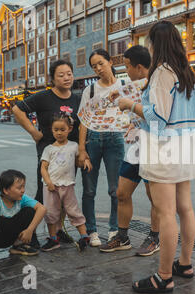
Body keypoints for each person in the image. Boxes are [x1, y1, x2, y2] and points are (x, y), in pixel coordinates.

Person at [117, 21, 195, 294]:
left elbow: (159, 117)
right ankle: (184, 264)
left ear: (157, 44)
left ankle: (164, 276)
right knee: (185, 208)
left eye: (151, 42)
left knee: (166, 213)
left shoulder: (163, 72)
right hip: (185, 145)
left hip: (165, 149)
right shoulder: (186, 70)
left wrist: (131, 106)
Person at [100, 45, 160, 257]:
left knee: (155, 197)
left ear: (140, 67)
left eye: (127, 66)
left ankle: (155, 237)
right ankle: (122, 236)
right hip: (137, 147)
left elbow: (158, 118)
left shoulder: (156, 85)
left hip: (154, 147)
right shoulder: (134, 86)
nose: (126, 70)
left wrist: (130, 107)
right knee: (122, 193)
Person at [12, 60, 80, 245]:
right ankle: (28, 232)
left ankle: (57, 231)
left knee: (64, 194)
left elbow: (81, 126)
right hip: (49, 155)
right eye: (61, 75)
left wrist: (82, 152)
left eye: (69, 73)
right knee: (44, 195)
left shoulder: (76, 98)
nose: (66, 78)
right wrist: (34, 132)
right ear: (53, 78)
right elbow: (17, 109)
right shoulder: (43, 97)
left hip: (69, 156)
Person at [77, 49, 125, 246]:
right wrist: (82, 150)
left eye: (101, 63)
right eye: (94, 66)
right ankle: (92, 231)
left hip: (115, 139)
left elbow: (133, 110)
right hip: (93, 140)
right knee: (89, 190)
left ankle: (115, 230)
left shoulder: (123, 85)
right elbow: (83, 121)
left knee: (116, 190)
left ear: (110, 62)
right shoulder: (90, 90)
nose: (98, 68)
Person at [0, 170, 47, 268]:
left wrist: (30, 230)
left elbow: (42, 208)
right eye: (19, 187)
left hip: (11, 237)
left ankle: (17, 246)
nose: (23, 190)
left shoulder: (22, 198)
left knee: (30, 211)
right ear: (6, 190)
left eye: (23, 186)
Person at [40, 112, 91, 251]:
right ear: (52, 130)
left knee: (73, 211)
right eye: (56, 130)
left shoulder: (74, 146)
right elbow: (43, 168)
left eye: (62, 129)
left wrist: (85, 160)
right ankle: (53, 239)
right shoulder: (48, 149)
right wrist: (48, 182)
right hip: (50, 187)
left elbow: (81, 156)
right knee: (51, 213)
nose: (59, 133)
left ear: (69, 129)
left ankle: (84, 236)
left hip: (68, 185)